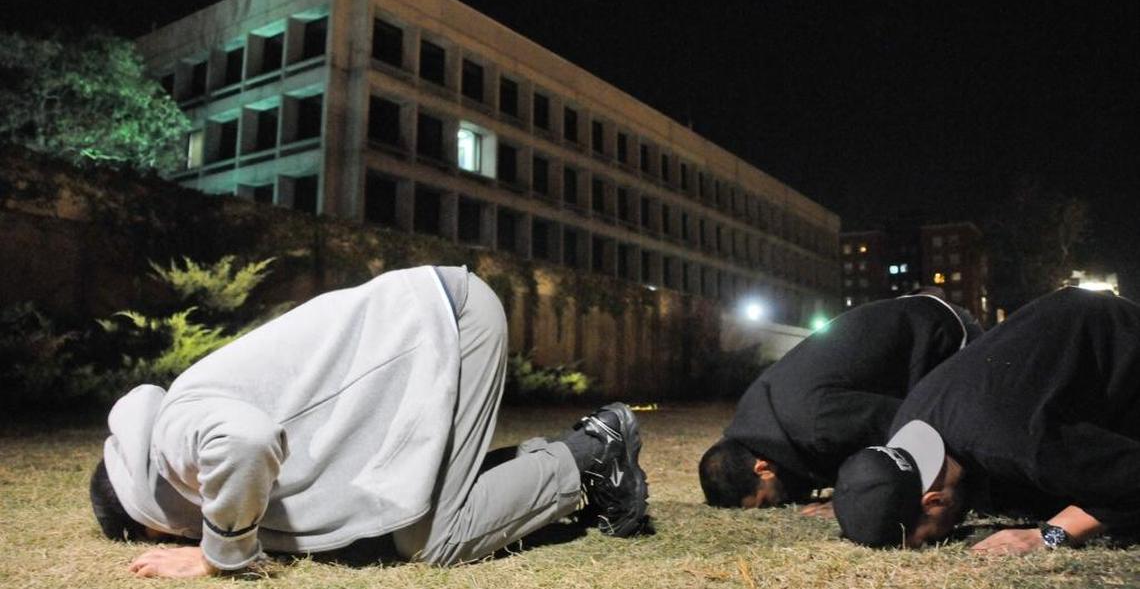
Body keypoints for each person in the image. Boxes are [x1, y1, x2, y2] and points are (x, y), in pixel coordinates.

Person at [89, 265, 649, 578]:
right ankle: (562, 459)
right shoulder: (178, 424)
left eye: (161, 534)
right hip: (427, 330)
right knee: (412, 511)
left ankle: (590, 454)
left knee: (433, 539)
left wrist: (219, 554)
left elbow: (244, 442)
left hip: (446, 328)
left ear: (144, 514)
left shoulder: (171, 436)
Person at [833, 287, 1140, 553]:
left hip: (1125, 344)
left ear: (933, 502)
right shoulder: (908, 424)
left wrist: (1051, 535)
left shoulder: (1018, 443)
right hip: (1080, 325)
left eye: (928, 538)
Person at [699, 290, 981, 510]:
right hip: (917, 319)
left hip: (944, 337)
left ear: (763, 469)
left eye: (767, 502)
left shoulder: (815, 422)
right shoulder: (764, 418)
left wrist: (856, 498)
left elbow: (911, 426)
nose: (779, 505)